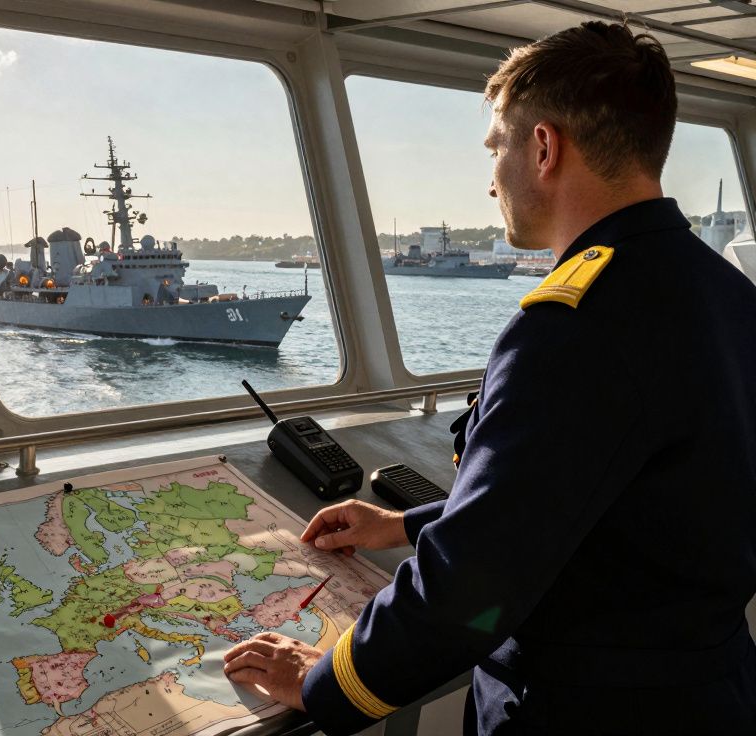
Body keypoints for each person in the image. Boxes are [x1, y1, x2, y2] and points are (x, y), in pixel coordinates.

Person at [222, 21, 756, 735]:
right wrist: (407, 525)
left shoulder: (575, 327)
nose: (490, 176)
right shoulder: (726, 294)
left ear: (543, 147)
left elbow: (470, 589)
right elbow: (613, 501)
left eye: (496, 146)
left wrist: (323, 684)